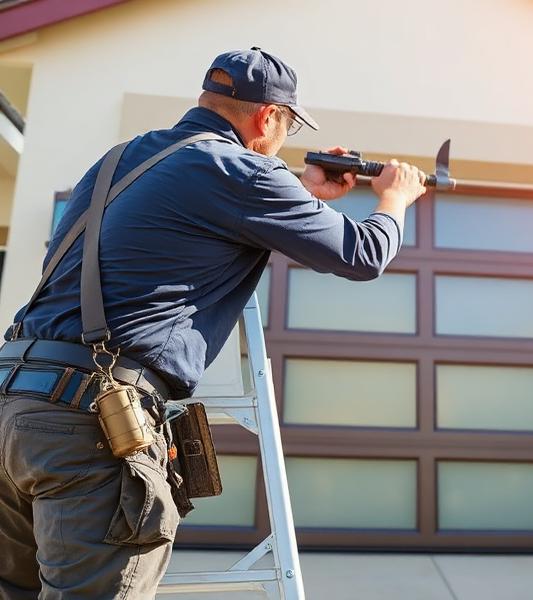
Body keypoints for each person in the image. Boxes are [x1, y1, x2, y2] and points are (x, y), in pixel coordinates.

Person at [0, 47, 426, 599]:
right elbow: (361, 253)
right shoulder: (244, 173)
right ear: (268, 117)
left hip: (13, 404)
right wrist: (395, 197)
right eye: (289, 125)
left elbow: (182, 222)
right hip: (88, 425)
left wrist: (301, 193)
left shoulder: (119, 159)